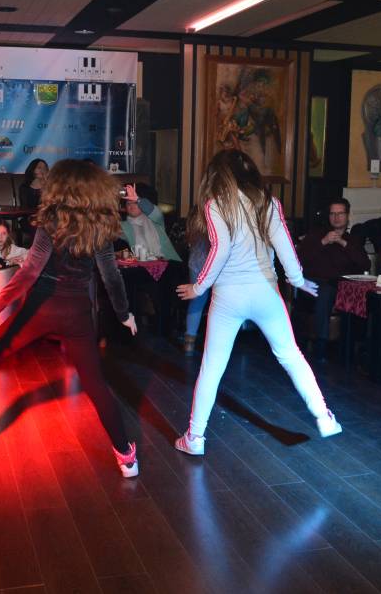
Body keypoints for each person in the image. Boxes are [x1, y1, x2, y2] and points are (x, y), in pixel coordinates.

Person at [0, 160, 141, 478]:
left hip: (41, 308)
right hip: (78, 315)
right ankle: (126, 458)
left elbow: (29, 273)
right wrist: (125, 314)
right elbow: (111, 278)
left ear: (59, 188)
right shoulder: (100, 225)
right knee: (95, 383)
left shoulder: (51, 221)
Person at [174, 150, 341, 457]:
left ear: (218, 175)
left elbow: (220, 250)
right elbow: (284, 245)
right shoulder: (269, 203)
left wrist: (199, 287)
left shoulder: (215, 205)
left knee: (212, 367)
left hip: (228, 296)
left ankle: (195, 437)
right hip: (265, 291)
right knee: (291, 355)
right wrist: (297, 280)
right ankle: (324, 417)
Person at [296, 198, 370, 361]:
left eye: (340, 213)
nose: (336, 218)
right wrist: (324, 242)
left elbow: (365, 264)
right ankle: (321, 345)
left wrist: (342, 243)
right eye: (332, 214)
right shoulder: (316, 235)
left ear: (347, 216)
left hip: (342, 285)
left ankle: (354, 348)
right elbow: (299, 260)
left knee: (362, 294)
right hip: (315, 283)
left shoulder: (352, 240)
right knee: (325, 292)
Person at [120, 184, 181, 263]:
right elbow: (111, 231)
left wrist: (138, 199)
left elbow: (151, 209)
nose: (131, 206)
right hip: (143, 266)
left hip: (169, 262)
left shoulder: (154, 219)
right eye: (128, 203)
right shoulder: (124, 226)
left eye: (135, 203)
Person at [182, 209, 210, 356]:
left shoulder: (196, 212)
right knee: (220, 303)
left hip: (196, 263)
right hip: (216, 263)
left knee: (197, 300)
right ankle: (215, 345)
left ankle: (189, 343)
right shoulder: (219, 211)